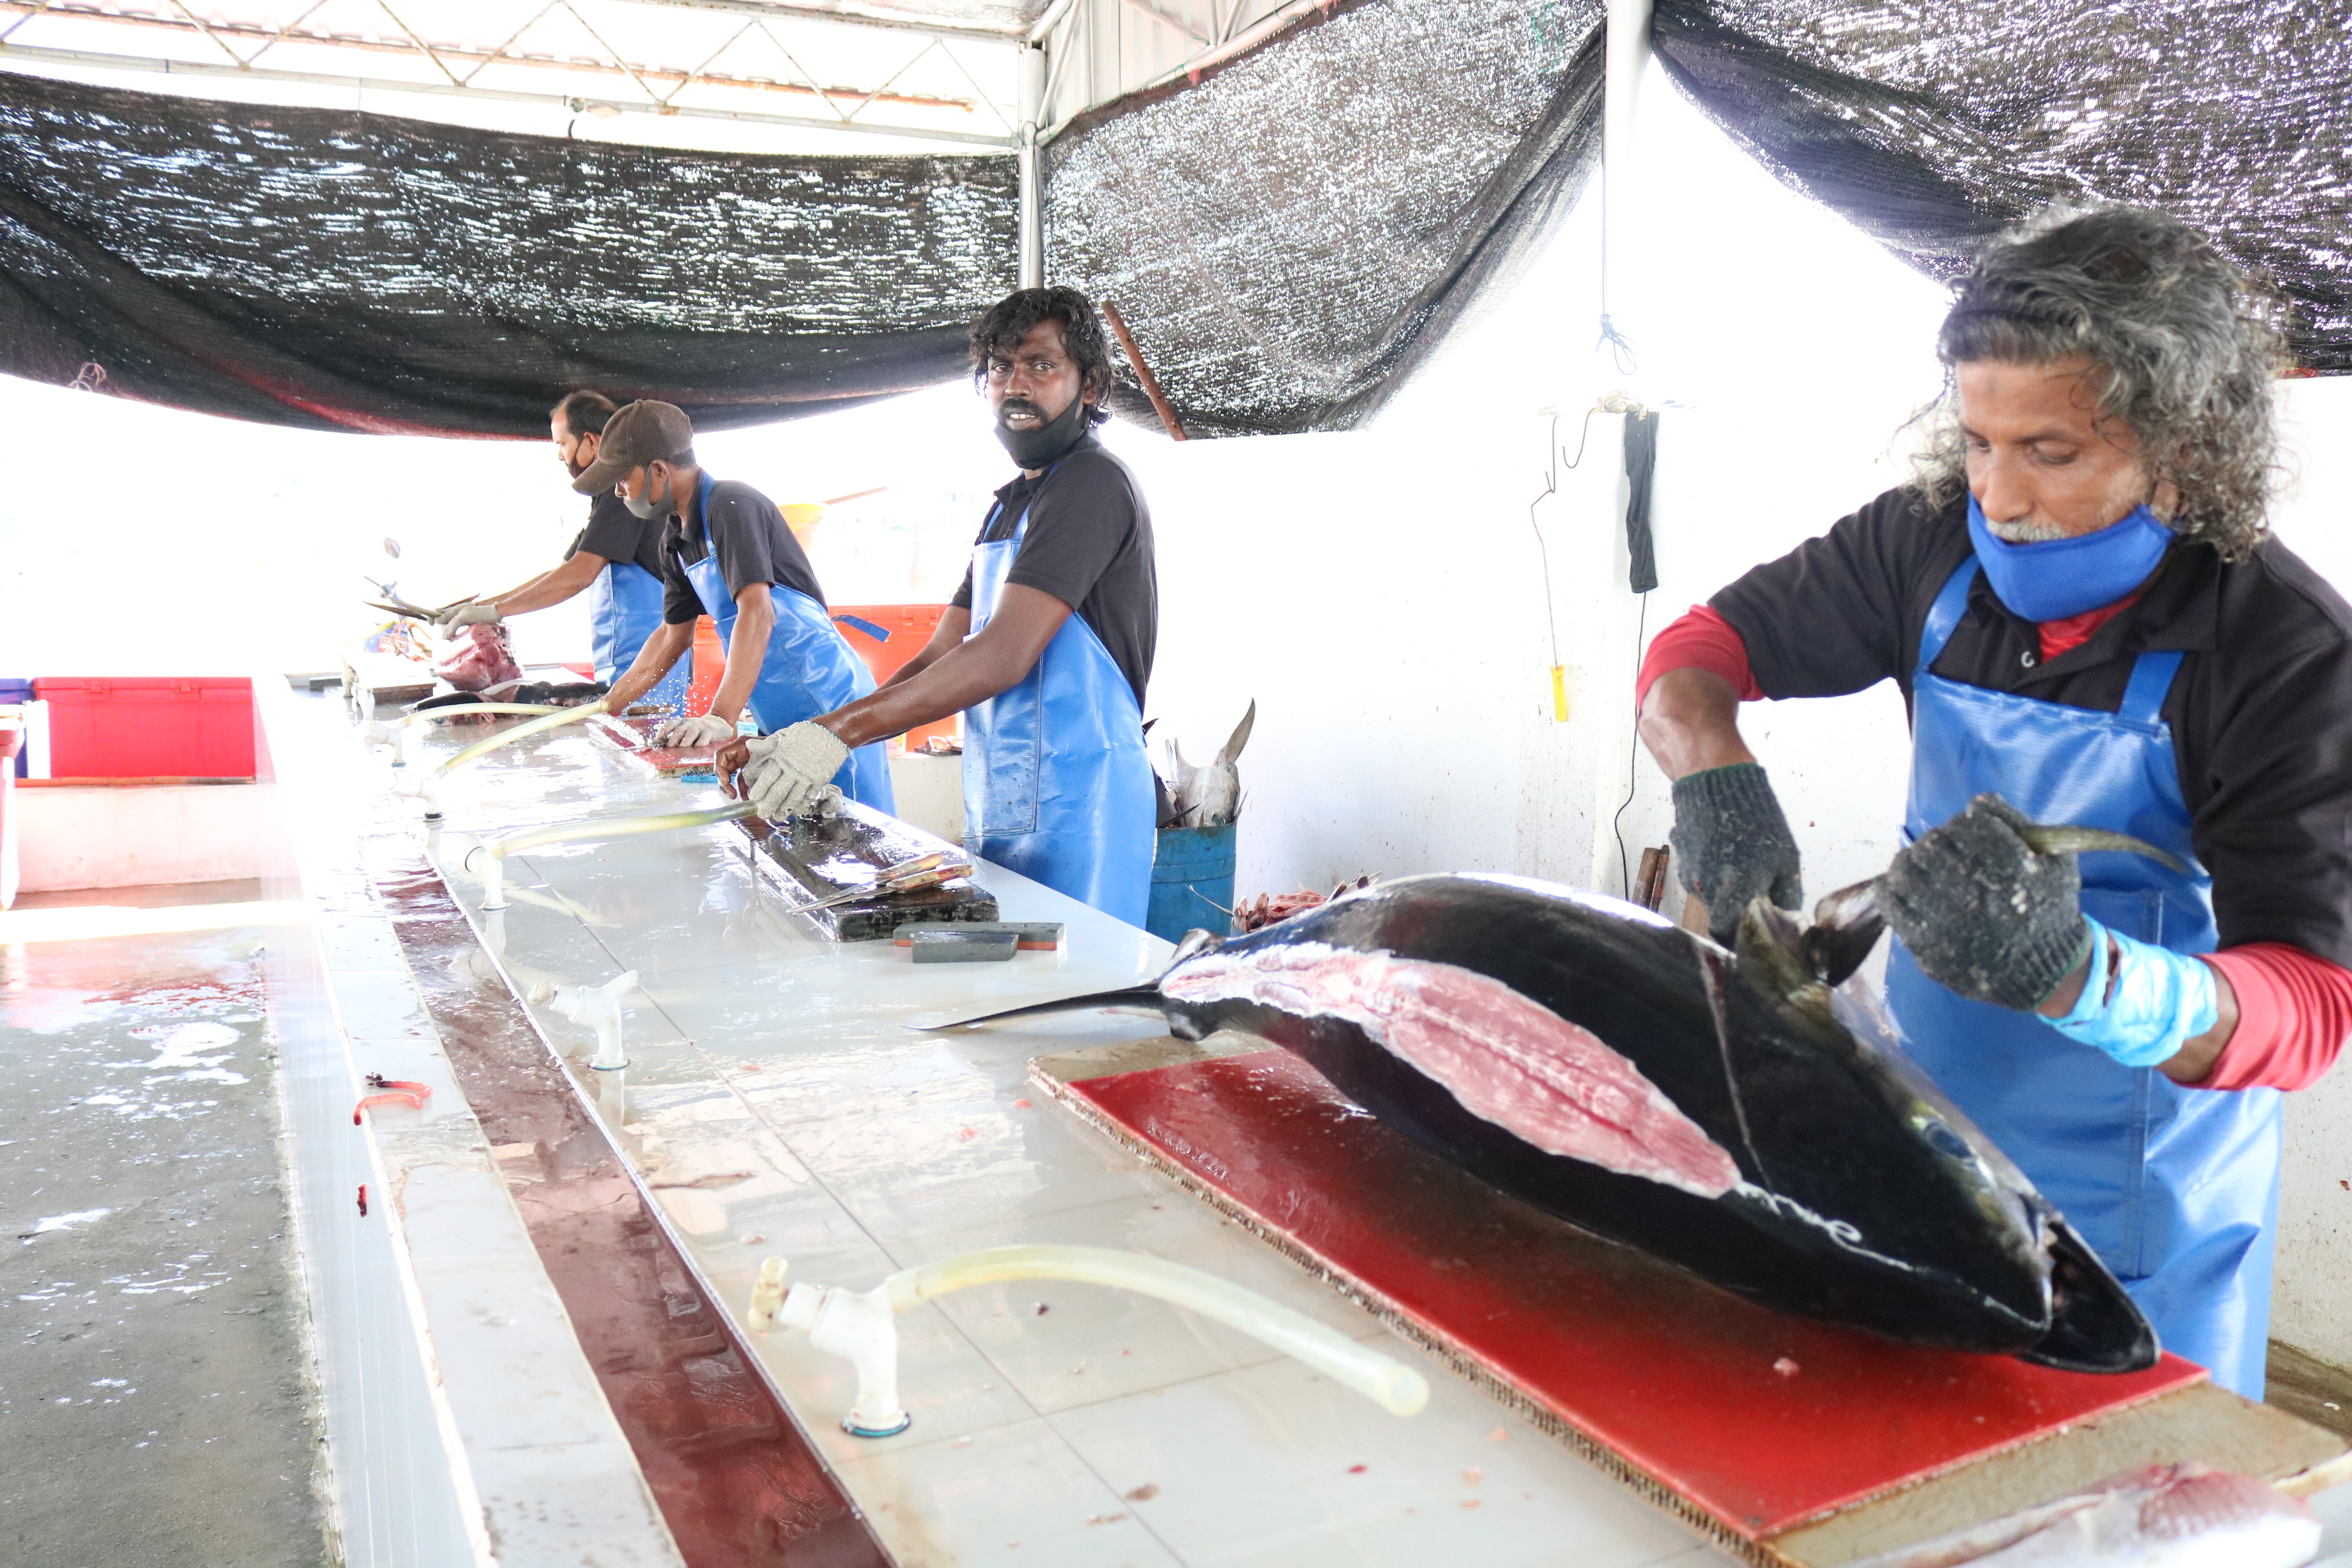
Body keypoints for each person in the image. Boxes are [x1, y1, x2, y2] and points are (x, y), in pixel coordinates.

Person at [1636, 207, 2352, 1399]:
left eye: (2049, 452)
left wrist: (2084, 975)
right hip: (1928, 1130)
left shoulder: (2280, 649)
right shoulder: (1923, 547)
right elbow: (1699, 647)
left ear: (2179, 445)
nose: (1996, 494)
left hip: (2136, 1202)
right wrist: (1709, 766)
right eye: (1975, 441)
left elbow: (2313, 1005)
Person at [723, 287, 1158, 926]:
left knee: (1075, 1003)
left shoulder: (1092, 485)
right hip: (1004, 807)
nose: (1016, 385)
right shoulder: (1008, 506)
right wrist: (801, 739)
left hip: (1085, 814)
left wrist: (835, 735)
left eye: (1041, 366)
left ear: (1089, 387)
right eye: (1001, 368)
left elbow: (1004, 655)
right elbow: (936, 657)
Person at [575, 399, 894, 809]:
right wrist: (608, 708)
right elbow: (672, 637)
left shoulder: (731, 505)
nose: (619, 492)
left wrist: (719, 717)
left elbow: (757, 612)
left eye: (622, 479)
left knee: (860, 828)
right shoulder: (675, 539)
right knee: (808, 828)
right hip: (777, 713)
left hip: (828, 699)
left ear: (659, 471)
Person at [432, 391, 689, 716]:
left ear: (592, 444)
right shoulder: (607, 500)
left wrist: (495, 612)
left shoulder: (624, 494)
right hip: (626, 666)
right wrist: (479, 608)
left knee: (648, 754)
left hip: (650, 670)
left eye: (561, 444)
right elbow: (564, 570)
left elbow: (579, 576)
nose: (559, 456)